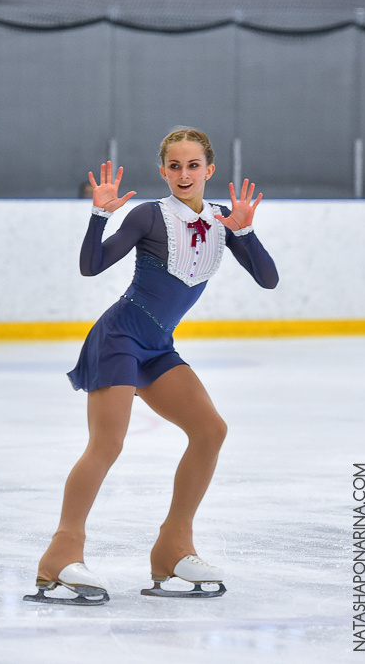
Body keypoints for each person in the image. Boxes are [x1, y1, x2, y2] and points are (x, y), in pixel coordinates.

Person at [24, 127, 278, 605]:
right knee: (107, 444)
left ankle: (173, 547)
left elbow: (268, 279)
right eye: (175, 166)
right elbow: (91, 265)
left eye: (193, 165)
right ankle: (60, 554)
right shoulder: (148, 216)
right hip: (119, 338)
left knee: (210, 430)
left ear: (210, 170)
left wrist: (245, 229)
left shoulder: (225, 220)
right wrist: (99, 214)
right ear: (163, 171)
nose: (184, 174)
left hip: (158, 348)